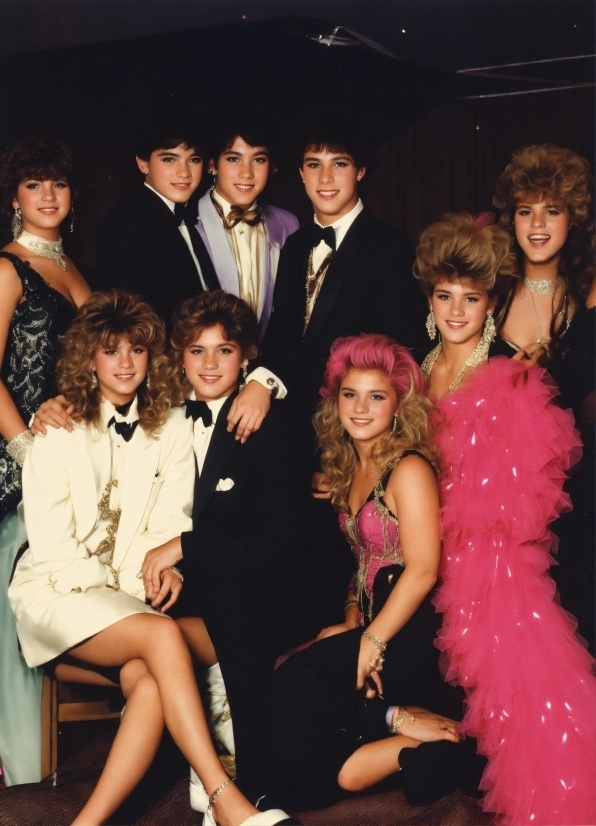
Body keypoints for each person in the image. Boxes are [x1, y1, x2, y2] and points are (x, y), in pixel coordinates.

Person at [8, 290, 295, 826]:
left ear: (152, 358)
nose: (123, 363)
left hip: (126, 604)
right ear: (88, 358)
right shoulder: (54, 432)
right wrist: (129, 594)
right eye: (110, 351)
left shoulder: (169, 427)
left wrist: (264, 380)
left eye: (136, 351)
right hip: (56, 597)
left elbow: (169, 524)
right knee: (162, 638)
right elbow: (55, 553)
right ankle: (224, 798)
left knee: (147, 677)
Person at [414, 212, 596, 825]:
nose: (457, 311)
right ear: (430, 300)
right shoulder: (414, 372)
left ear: (492, 302)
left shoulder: (511, 376)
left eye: (471, 297)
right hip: (428, 553)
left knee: (524, 695)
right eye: (445, 296)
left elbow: (529, 501)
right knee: (489, 707)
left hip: (493, 565)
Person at [266, 334, 484, 813]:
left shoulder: (408, 469)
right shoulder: (350, 468)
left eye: (377, 396)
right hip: (372, 626)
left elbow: (424, 570)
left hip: (412, 635)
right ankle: (428, 753)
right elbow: (363, 562)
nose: (361, 408)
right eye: (351, 395)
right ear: (336, 403)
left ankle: (397, 717)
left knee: (297, 682)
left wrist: (373, 641)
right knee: (287, 674)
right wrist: (350, 621)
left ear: (398, 406)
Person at [139, 291, 310, 816]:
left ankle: (245, 781)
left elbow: (279, 546)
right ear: (178, 357)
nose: (210, 364)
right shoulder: (161, 420)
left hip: (249, 595)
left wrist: (185, 548)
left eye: (224, 350)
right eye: (196, 351)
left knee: (237, 600)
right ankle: (214, 762)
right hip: (180, 591)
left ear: (248, 357)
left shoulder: (270, 427)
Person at [260, 121, 427, 630]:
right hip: (301, 448)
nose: (325, 178)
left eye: (339, 164)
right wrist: (261, 380)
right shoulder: (292, 247)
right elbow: (286, 344)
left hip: (357, 448)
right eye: (313, 165)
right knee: (293, 592)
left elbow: (393, 371)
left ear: (361, 171)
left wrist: (347, 461)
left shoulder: (392, 250)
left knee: (340, 589)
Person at [0, 134, 91, 785]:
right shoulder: (7, 268)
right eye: (35, 185)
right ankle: (21, 765)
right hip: (15, 459)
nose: (48, 195)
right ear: (15, 197)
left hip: (67, 454)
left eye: (57, 184)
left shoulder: (74, 269)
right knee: (11, 608)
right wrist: (24, 446)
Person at [493, 144, 596, 651]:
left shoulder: (588, 298)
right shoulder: (486, 292)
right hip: (494, 501)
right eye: (525, 210)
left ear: (572, 218)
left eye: (551, 210)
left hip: (572, 505)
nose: (537, 224)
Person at [97, 115, 220, 324]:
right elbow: (133, 324)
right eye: (169, 159)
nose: (184, 173)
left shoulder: (189, 216)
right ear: (143, 163)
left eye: (194, 160)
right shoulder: (122, 227)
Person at [196, 119, 299, 338]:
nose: (246, 173)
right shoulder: (189, 224)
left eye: (258, 160)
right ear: (212, 164)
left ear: (272, 167)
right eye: (234, 159)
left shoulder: (287, 225)